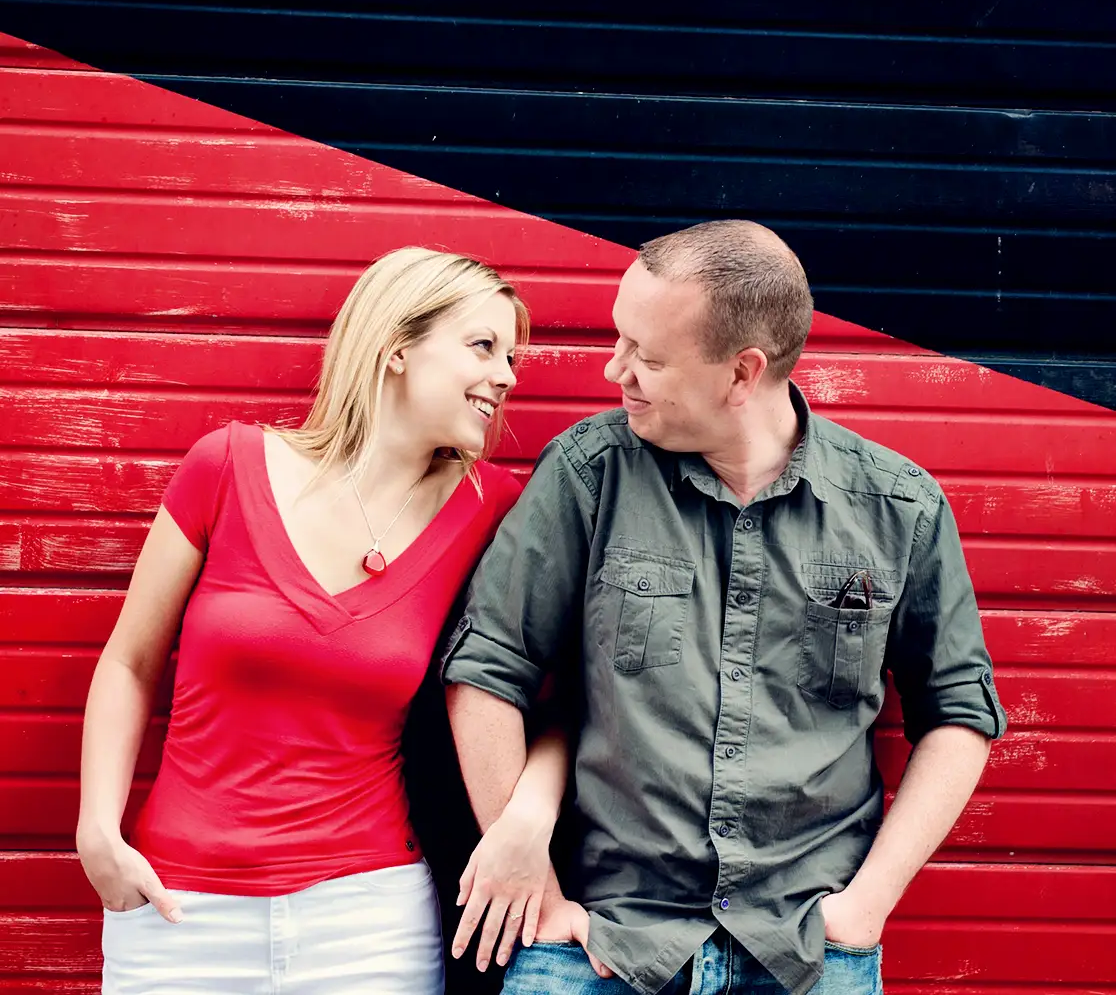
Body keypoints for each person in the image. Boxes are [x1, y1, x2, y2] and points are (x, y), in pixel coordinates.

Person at [441, 221, 1007, 995]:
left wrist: (868, 905)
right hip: (603, 947)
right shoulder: (589, 473)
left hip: (808, 954)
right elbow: (488, 668)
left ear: (743, 372)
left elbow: (959, 712)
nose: (617, 370)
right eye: (620, 340)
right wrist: (532, 877)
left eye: (648, 355)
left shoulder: (896, 507)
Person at [76, 246, 557, 994]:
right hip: (178, 913)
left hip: (367, 922)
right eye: (483, 346)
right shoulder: (226, 467)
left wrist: (526, 819)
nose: (507, 375)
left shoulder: (491, 509)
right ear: (396, 347)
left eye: (511, 356)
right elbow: (129, 663)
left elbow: (554, 691)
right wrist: (98, 834)